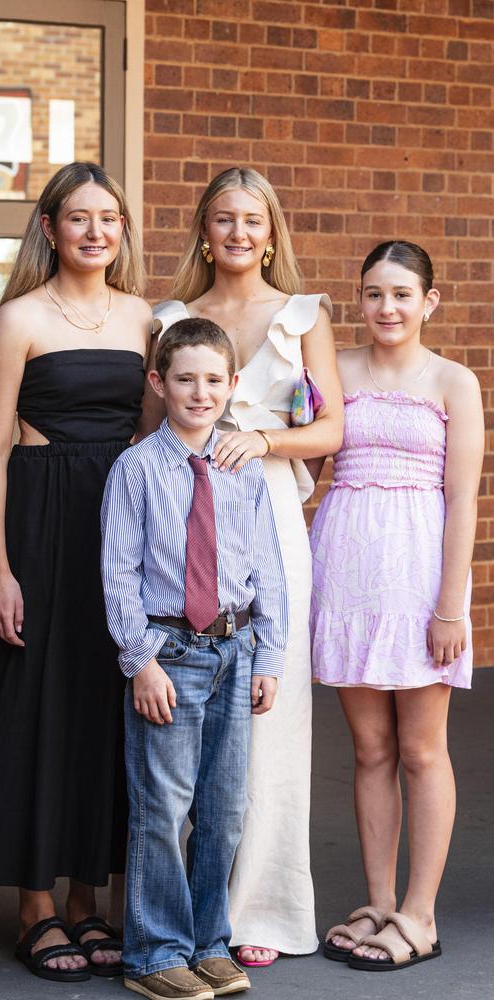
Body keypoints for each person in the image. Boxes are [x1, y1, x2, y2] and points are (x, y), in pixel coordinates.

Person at [0, 162, 155, 982]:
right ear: (51, 227)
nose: (96, 232)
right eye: (79, 218)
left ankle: (87, 898)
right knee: (34, 704)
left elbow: (159, 435)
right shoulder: (19, 317)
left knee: (103, 705)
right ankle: (34, 905)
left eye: (110, 219)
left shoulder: (143, 319)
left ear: (122, 231)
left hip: (117, 522)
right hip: (37, 519)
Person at [152, 168, 344, 965]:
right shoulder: (169, 317)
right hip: (185, 519)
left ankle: (260, 906)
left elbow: (331, 430)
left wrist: (263, 440)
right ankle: (182, 904)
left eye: (253, 220)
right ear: (204, 227)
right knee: (187, 713)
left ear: (273, 232)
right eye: (224, 218)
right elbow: (146, 431)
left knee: (271, 709)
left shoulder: (303, 317)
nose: (238, 232)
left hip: (267, 512)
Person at [101, 318, 289, 1000]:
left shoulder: (243, 471)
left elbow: (266, 563)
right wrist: (140, 660)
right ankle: (154, 953)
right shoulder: (137, 469)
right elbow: (119, 573)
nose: (199, 391)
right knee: (162, 804)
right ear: (159, 382)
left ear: (232, 385)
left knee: (223, 807)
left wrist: (268, 654)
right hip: (170, 651)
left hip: (235, 652)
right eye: (184, 378)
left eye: (214, 379)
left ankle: (209, 942)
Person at [310, 240, 483, 972]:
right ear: (359, 298)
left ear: (429, 302)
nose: (387, 308)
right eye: (374, 293)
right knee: (371, 749)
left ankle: (420, 915)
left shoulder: (454, 380)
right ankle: (378, 901)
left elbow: (464, 496)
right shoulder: (336, 370)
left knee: (420, 749)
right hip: (345, 571)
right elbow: (309, 457)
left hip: (418, 578)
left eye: (402, 294)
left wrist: (452, 604)